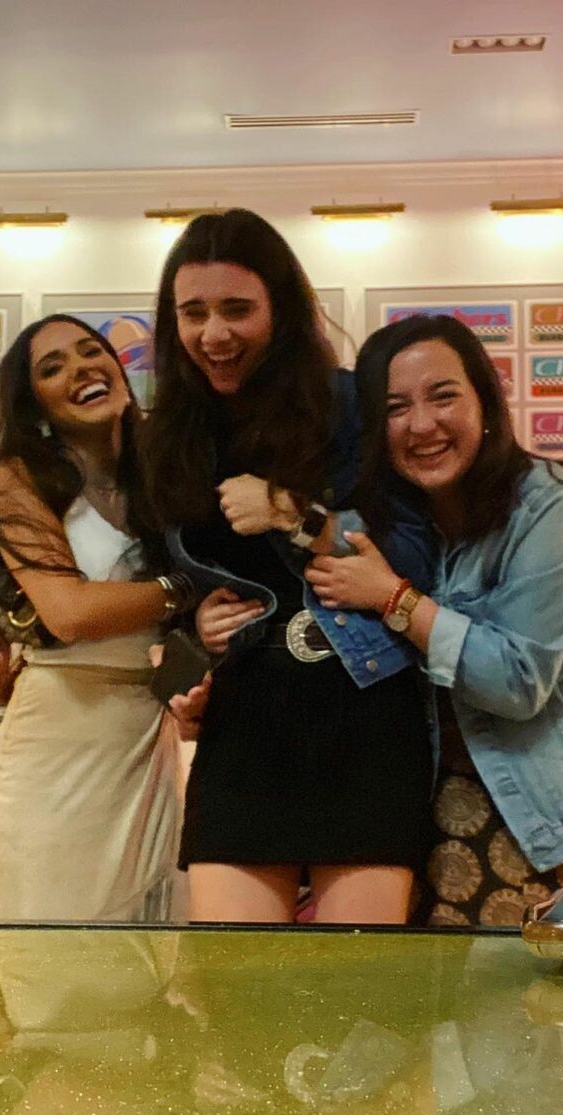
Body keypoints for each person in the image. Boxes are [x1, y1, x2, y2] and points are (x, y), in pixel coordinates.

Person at [138, 209, 437, 925]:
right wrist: (193, 635)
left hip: (363, 706)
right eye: (194, 313)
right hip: (244, 719)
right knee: (232, 978)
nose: (214, 333)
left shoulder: (349, 404)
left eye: (237, 309)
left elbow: (418, 552)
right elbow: (169, 581)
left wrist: (295, 514)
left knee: (357, 985)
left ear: (281, 308)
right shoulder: (170, 433)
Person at [305, 314, 563, 926]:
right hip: (412, 817)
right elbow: (313, 629)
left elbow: (519, 680)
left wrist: (396, 600)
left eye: (443, 396)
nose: (421, 424)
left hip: (547, 816)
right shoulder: (380, 521)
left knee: (554, 994)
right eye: (396, 407)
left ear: (484, 401)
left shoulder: (544, 501)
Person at [0, 315, 195, 923]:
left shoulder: (163, 474)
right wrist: (184, 587)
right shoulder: (19, 478)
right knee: (56, 941)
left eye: (91, 351)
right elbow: (68, 612)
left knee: (153, 938)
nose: (81, 368)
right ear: (35, 404)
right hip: (59, 738)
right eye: (53, 367)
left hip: (147, 731)